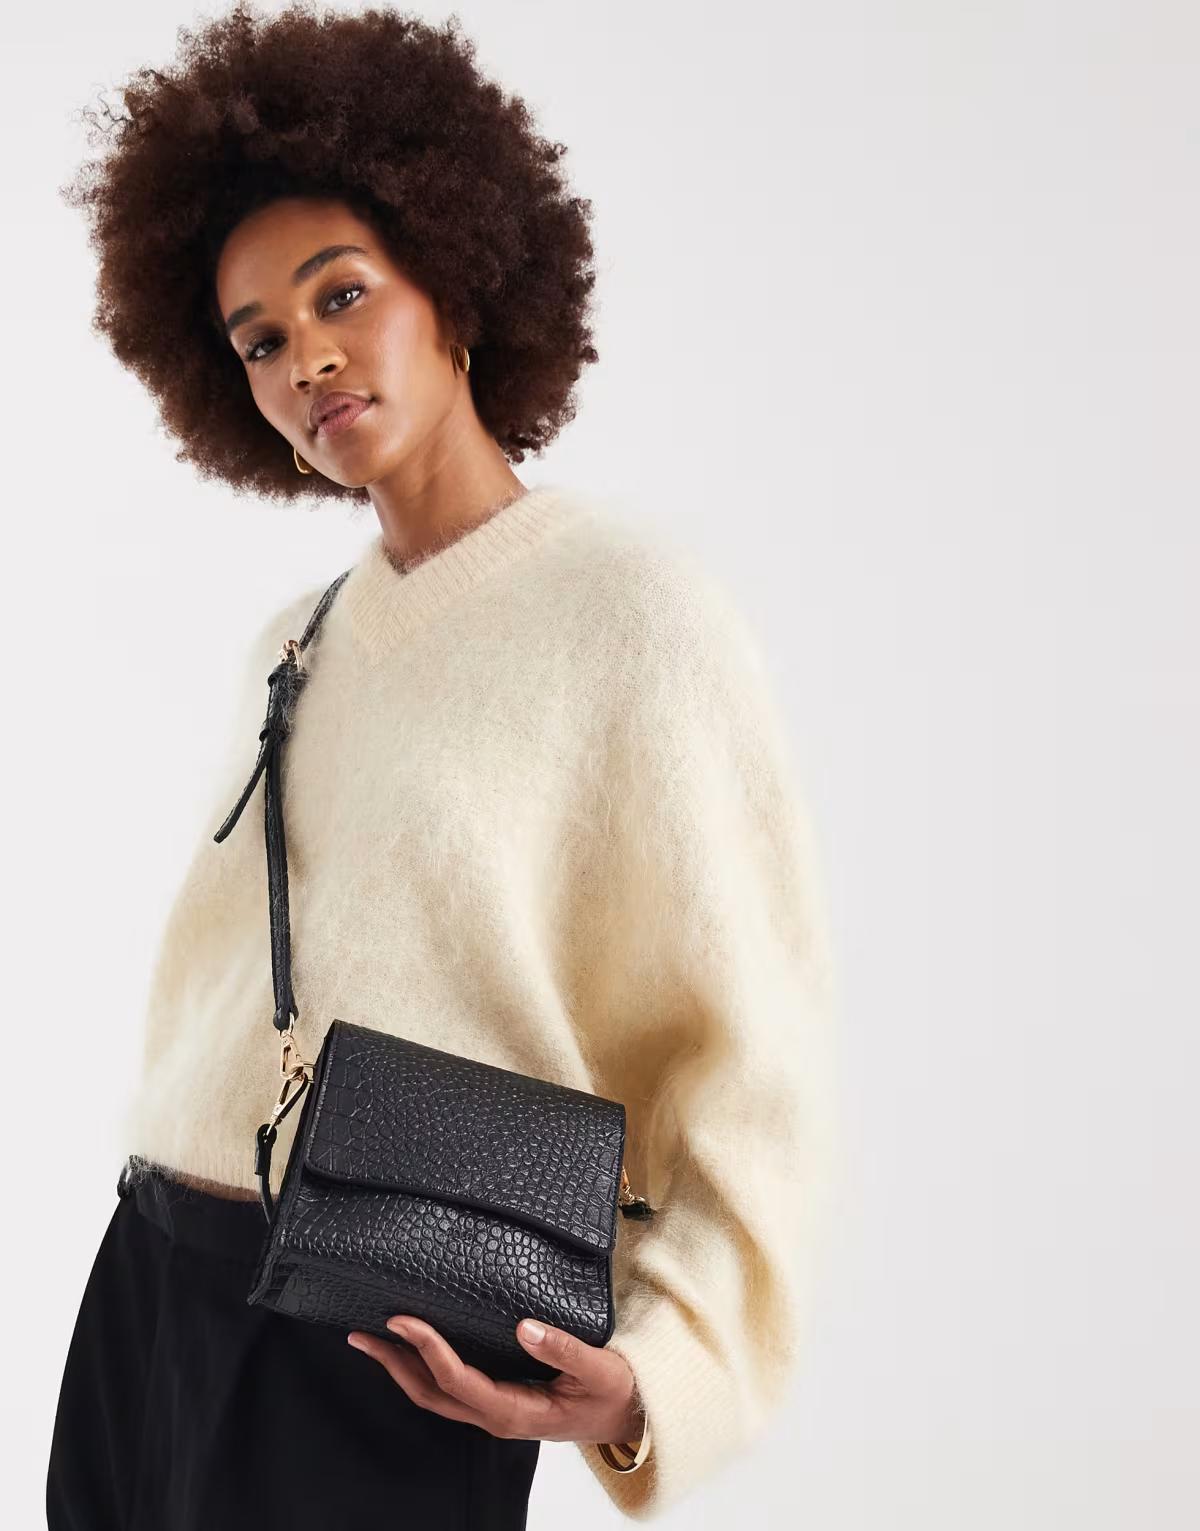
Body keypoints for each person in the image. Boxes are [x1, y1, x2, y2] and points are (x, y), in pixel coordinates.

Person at [47, 4, 841, 1526]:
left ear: (456, 281)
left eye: (342, 293)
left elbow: (748, 1046)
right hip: (152, 1290)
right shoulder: (296, 640)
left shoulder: (631, 614)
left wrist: (669, 1368)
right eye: (259, 340)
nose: (307, 357)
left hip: (384, 1337)